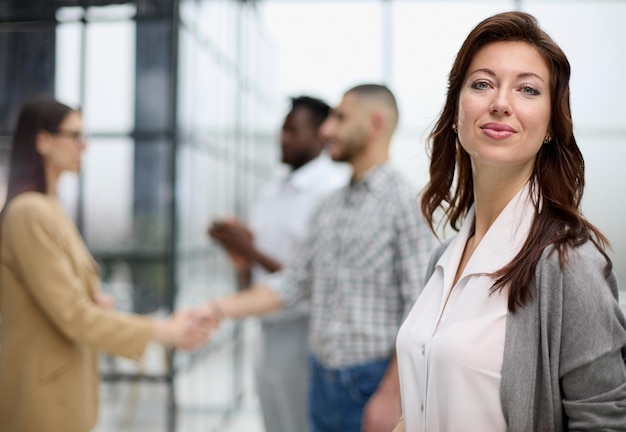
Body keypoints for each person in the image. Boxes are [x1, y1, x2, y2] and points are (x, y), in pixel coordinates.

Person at [394, 11, 626, 432]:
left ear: (552, 124)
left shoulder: (567, 264)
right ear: (455, 113)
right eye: (482, 84)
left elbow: (605, 420)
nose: (500, 102)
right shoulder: (443, 258)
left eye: (528, 89)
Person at [200, 83, 437, 432]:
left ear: (375, 124)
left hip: (368, 385)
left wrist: (391, 394)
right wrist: (215, 310)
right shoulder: (330, 206)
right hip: (320, 379)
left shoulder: (407, 205)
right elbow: (293, 282)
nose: (327, 129)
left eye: (340, 118)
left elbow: (420, 312)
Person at [0, 96, 212, 432]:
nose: (84, 146)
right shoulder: (30, 212)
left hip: (63, 380)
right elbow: (71, 313)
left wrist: (92, 298)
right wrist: (162, 331)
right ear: (43, 141)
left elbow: (63, 299)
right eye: (75, 135)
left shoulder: (48, 207)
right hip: (43, 394)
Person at [208, 95, 348, 432]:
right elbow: (258, 269)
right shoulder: (272, 191)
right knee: (274, 422)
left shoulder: (329, 193)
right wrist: (239, 251)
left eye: (292, 130)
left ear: (320, 135)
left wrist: (251, 250)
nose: (282, 138)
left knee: (299, 423)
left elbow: (311, 278)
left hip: (304, 330)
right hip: (266, 326)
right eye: (282, 129)